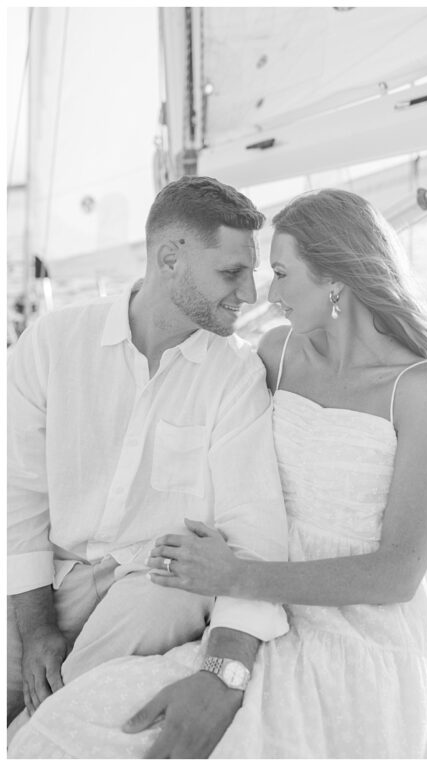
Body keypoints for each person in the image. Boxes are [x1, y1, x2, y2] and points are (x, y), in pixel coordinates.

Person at [9, 188, 427, 758]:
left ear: (335, 278)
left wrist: (235, 588)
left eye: (280, 273)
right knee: (69, 728)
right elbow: (22, 492)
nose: (263, 293)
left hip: (350, 634)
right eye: (245, 271)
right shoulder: (275, 353)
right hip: (253, 601)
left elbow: (397, 575)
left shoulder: (422, 393)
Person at [7, 176, 291, 756]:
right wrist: (36, 629)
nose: (249, 294)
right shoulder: (52, 343)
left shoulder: (235, 375)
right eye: (231, 273)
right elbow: (17, 498)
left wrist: (224, 674)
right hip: (45, 579)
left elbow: (255, 531)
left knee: (45, 718)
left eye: (252, 273)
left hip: (154, 587)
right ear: (170, 258)